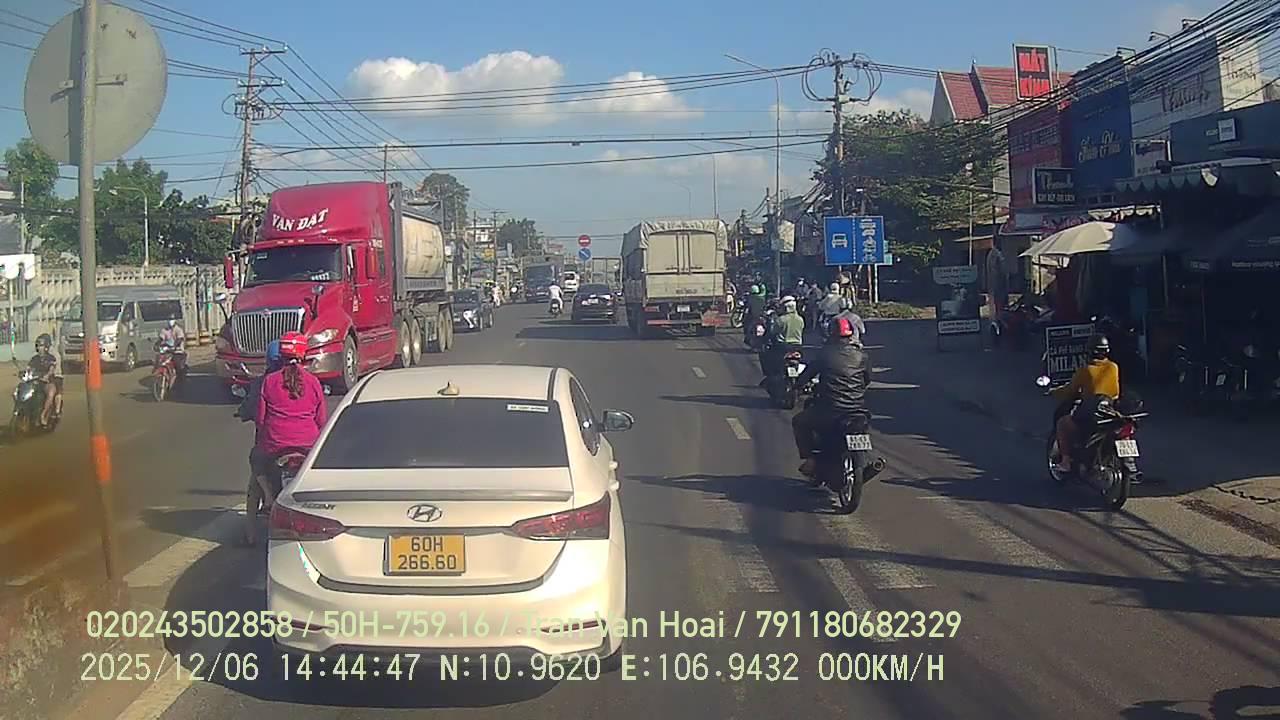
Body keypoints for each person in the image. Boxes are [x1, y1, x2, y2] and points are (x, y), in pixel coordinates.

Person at [792, 316, 872, 478]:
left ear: (831, 334)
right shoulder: (862, 356)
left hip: (830, 409)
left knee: (799, 421)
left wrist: (798, 385)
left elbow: (807, 375)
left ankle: (811, 459)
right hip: (858, 410)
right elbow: (867, 379)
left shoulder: (825, 354)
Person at [255, 331, 327, 504]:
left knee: (256, 460)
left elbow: (261, 419)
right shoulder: (313, 382)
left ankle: (268, 497)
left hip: (275, 445)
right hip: (308, 445)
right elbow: (322, 420)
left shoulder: (269, 381)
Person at [1052, 334, 1121, 475]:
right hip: (1110, 411)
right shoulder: (1113, 367)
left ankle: (1065, 462)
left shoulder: (1085, 370)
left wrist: (1053, 392)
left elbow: (1070, 390)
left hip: (1091, 415)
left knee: (1062, 423)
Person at [238, 340, 285, 513]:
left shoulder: (264, 383)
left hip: (272, 443)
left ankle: (268, 498)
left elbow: (259, 415)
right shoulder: (307, 381)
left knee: (256, 460)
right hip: (305, 443)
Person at [763, 295, 805, 383]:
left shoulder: (781, 320)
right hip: (798, 347)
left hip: (783, 347)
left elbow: (773, 332)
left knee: (770, 358)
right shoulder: (800, 319)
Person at [29, 333, 63, 427]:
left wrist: (47, 376)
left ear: (46, 346)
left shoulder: (52, 356)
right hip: (36, 381)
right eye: (37, 345)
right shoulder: (34, 358)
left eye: (41, 345)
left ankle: (44, 413)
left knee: (53, 392)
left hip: (51, 379)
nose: (39, 347)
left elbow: (53, 369)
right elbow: (29, 368)